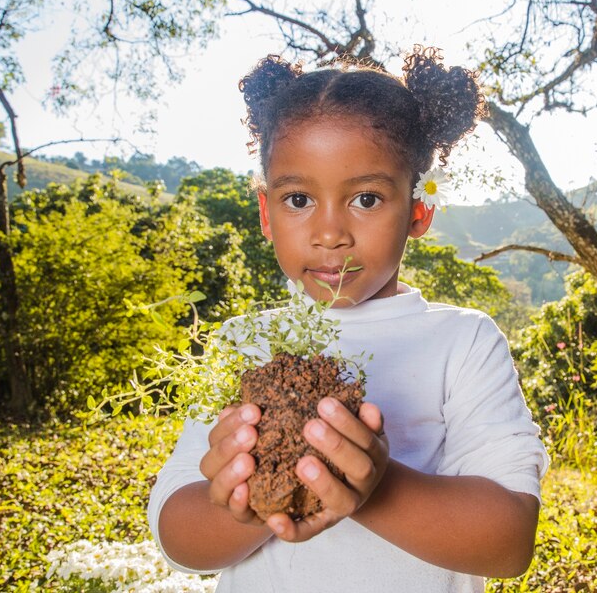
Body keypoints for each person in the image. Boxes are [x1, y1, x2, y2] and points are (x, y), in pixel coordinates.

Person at [148, 47, 548, 592]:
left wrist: (375, 487)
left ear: (417, 212)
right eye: (298, 199)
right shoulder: (245, 344)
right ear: (267, 214)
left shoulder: (463, 342)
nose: (330, 231)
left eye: (365, 198)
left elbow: (508, 542)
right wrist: (241, 500)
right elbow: (177, 537)